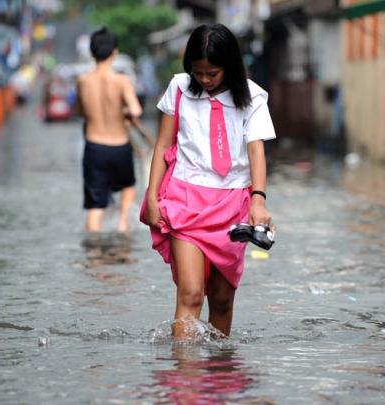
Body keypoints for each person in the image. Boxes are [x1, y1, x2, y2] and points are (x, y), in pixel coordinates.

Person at [142, 23, 276, 340]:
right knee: (190, 294)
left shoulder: (253, 97)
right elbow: (163, 143)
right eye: (198, 72)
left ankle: (218, 374)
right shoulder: (178, 88)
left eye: (212, 73)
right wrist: (151, 196)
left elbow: (256, 150)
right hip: (184, 199)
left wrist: (258, 199)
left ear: (229, 66)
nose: (204, 80)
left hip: (232, 205)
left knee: (221, 299)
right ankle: (185, 379)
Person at [72, 27, 143, 233]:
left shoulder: (83, 80)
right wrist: (123, 112)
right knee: (128, 187)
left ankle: (93, 254)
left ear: (92, 53)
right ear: (115, 51)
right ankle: (122, 226)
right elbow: (136, 110)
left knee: (95, 206)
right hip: (120, 146)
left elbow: (78, 111)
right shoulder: (122, 81)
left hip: (94, 147)